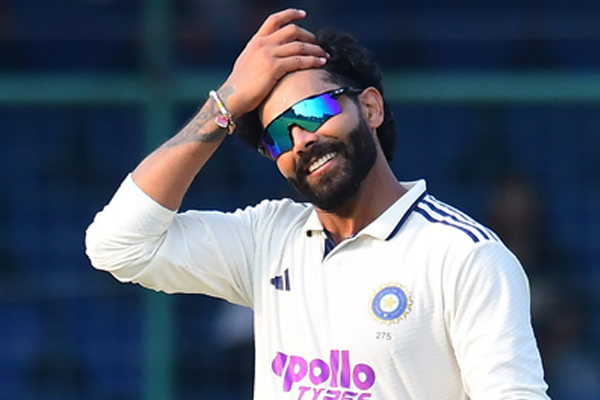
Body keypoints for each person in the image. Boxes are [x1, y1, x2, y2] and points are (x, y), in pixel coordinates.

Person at [86, 8, 550, 400]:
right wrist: (223, 104)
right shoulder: (269, 239)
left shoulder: (464, 256)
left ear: (370, 108)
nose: (301, 140)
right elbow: (117, 245)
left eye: (314, 111)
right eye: (277, 135)